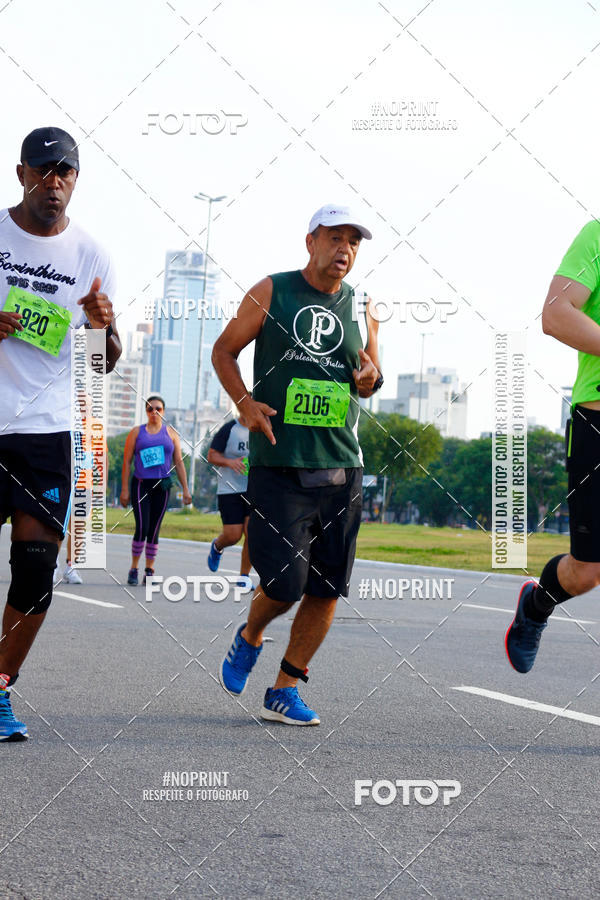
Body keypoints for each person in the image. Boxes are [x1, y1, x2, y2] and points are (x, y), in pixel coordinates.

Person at [212, 203, 382, 725]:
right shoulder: (272, 291)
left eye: (353, 241)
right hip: (279, 466)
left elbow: (372, 376)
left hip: (342, 467)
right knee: (285, 584)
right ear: (310, 240)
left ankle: (286, 686)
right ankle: (250, 635)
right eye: (335, 238)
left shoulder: (362, 307)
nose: (345, 250)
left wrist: (369, 379)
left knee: (327, 588)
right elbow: (224, 351)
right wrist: (243, 402)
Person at [0, 127, 121, 741]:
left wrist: (102, 329)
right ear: (21, 174)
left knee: (36, 564)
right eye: (45, 172)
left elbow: (101, 363)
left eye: (66, 173)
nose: (56, 184)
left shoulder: (91, 256)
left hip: (46, 431)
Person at [506, 219, 600, 672]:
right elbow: (556, 314)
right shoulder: (597, 235)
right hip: (597, 422)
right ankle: (538, 604)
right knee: (587, 572)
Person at [120, 395, 192, 585]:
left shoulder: (171, 434)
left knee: (154, 530)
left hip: (162, 485)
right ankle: (134, 568)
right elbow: (127, 462)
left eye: (158, 409)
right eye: (150, 409)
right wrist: (124, 489)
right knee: (142, 527)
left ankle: (149, 570)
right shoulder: (137, 432)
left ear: (164, 411)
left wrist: (186, 489)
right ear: (146, 411)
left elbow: (178, 462)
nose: (154, 412)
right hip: (141, 484)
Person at [207, 416, 253, 589]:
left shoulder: (262, 429)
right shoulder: (229, 429)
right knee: (233, 535)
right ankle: (218, 546)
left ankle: (244, 577)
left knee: (251, 533)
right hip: (229, 489)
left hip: (254, 489)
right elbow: (211, 456)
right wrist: (229, 462)